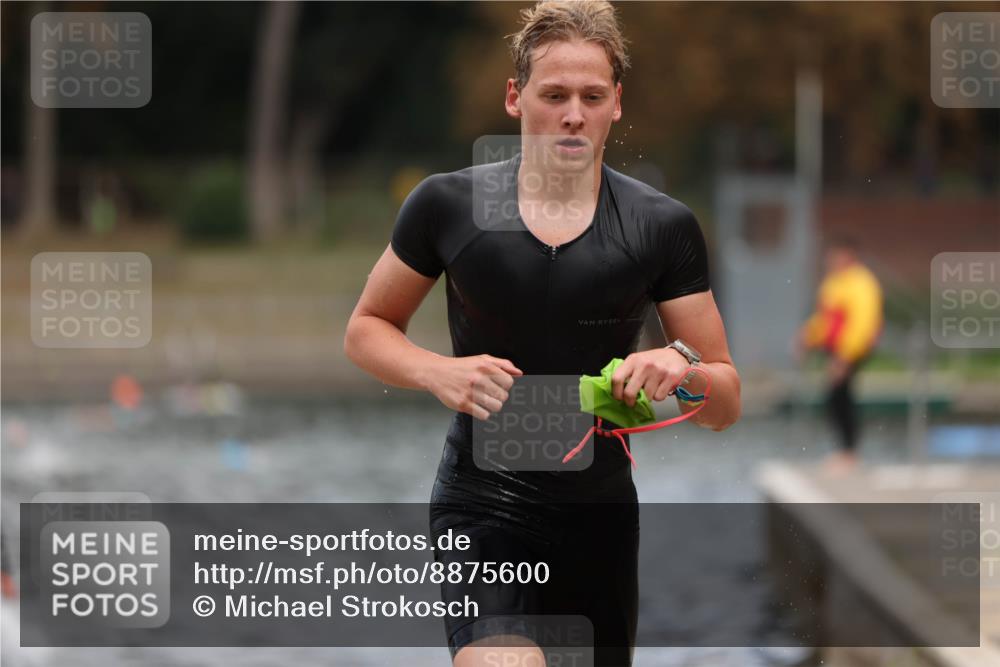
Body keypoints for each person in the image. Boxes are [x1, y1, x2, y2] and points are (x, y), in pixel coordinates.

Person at [344, 2, 741, 665]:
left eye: (592, 95)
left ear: (617, 102)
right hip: (482, 499)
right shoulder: (448, 206)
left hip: (598, 514)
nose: (573, 114)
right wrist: (438, 371)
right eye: (554, 94)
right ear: (514, 97)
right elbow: (366, 329)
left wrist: (682, 368)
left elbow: (725, 402)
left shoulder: (661, 226)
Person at [796, 236, 884, 473]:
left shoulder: (862, 283)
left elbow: (862, 324)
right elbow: (827, 319)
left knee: (840, 397)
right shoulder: (834, 283)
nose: (831, 259)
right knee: (837, 396)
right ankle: (845, 451)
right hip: (836, 349)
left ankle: (849, 452)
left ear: (849, 255)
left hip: (852, 349)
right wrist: (808, 337)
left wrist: (844, 358)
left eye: (836, 254)